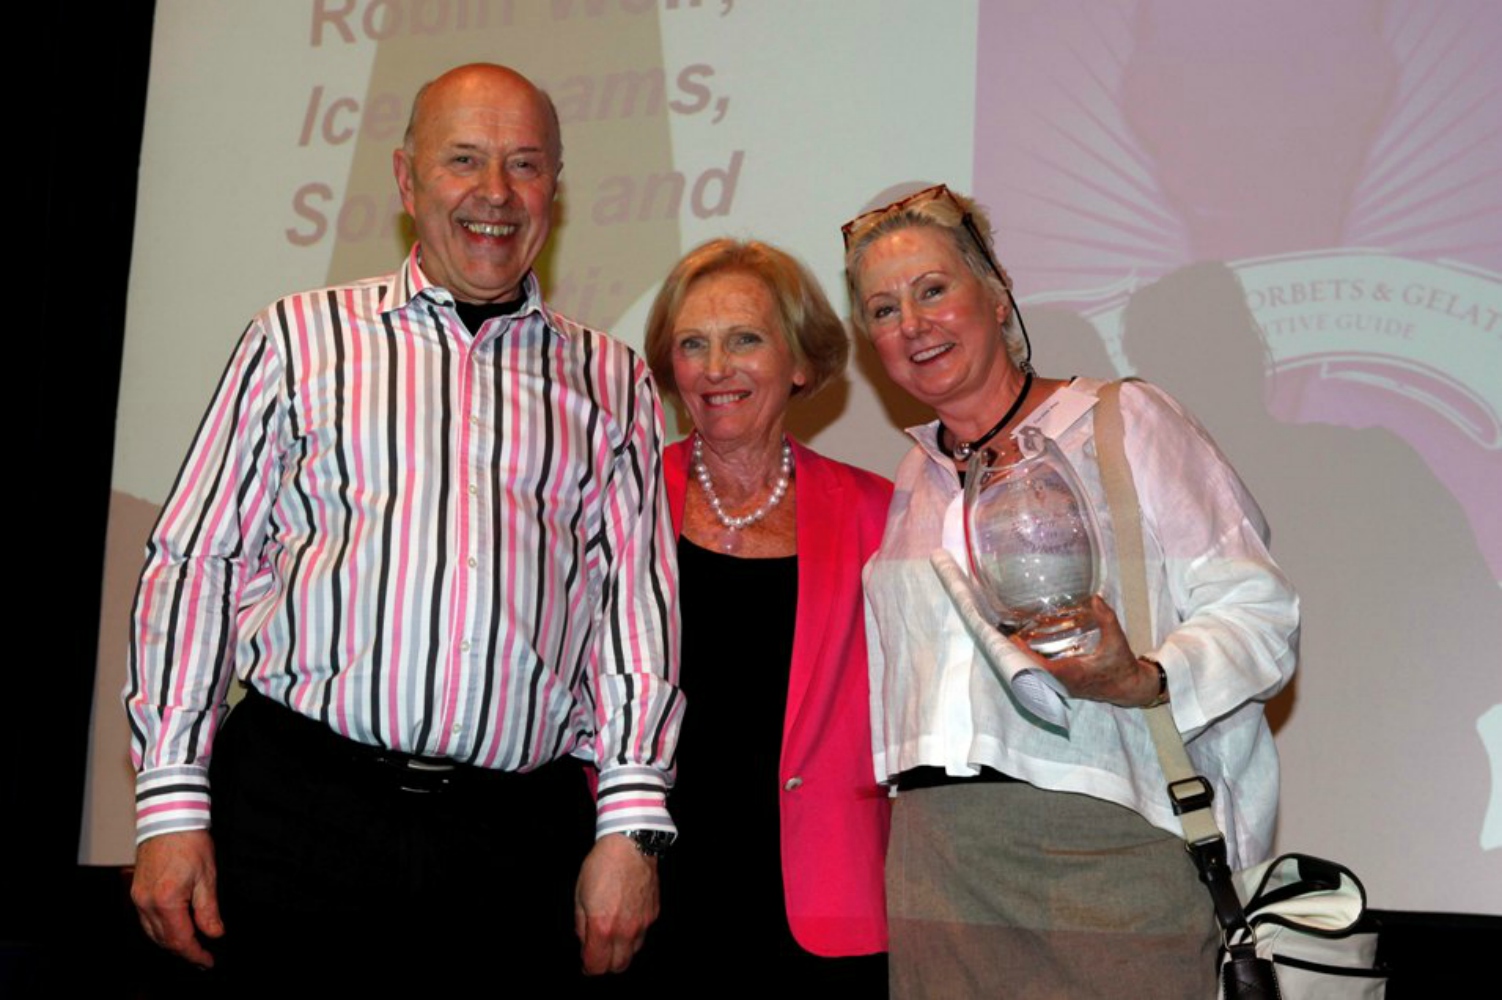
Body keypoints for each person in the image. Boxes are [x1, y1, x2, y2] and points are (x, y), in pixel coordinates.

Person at [124, 63, 682, 987]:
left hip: (514, 842)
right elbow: (195, 563)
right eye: (463, 159)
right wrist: (171, 804)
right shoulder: (295, 340)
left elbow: (635, 615)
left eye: (525, 164)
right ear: (406, 178)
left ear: (556, 187)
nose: (495, 194)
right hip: (298, 813)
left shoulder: (614, 379)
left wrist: (630, 830)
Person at [843, 185, 1299, 998]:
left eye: (933, 289)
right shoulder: (915, 480)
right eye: (882, 310)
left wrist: (1146, 678)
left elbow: (1258, 616)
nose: (911, 324)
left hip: (1106, 849)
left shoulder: (1123, 422)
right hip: (937, 867)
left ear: (996, 290)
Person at [636, 239, 891, 990]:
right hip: (645, 891)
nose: (716, 368)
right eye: (693, 344)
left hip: (825, 910)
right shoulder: (621, 500)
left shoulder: (880, 515)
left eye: (745, 338)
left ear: (801, 361)